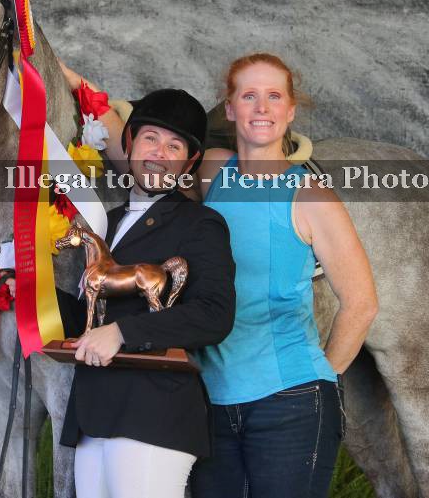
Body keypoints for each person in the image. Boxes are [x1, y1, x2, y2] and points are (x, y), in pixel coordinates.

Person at [59, 55, 378, 498]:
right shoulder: (212, 170)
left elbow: (362, 304)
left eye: (274, 96)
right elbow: (139, 149)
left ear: (290, 110)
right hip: (212, 398)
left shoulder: (311, 197)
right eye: (249, 96)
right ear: (230, 108)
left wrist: (319, 381)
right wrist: (65, 77)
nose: (261, 107)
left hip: (288, 398)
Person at [55, 88, 237, 498]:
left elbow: (215, 313)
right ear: (130, 142)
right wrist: (32, 293)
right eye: (151, 138)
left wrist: (123, 333)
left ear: (189, 161)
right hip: (94, 413)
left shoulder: (201, 224)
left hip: (153, 413)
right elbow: (92, 319)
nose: (159, 152)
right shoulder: (106, 222)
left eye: (175, 146)